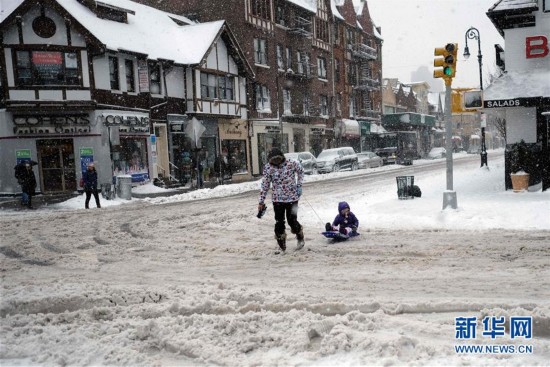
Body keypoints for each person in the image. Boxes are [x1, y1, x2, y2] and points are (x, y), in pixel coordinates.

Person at [258, 147, 305, 252]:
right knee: (279, 222)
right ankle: (281, 243)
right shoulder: (268, 168)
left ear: (282, 157)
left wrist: (299, 185)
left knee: (292, 221)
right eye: (273, 160)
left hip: (292, 198)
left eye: (277, 159)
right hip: (277, 200)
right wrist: (261, 201)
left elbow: (301, 172)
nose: (276, 162)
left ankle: (299, 235)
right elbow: (265, 185)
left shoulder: (292, 163)